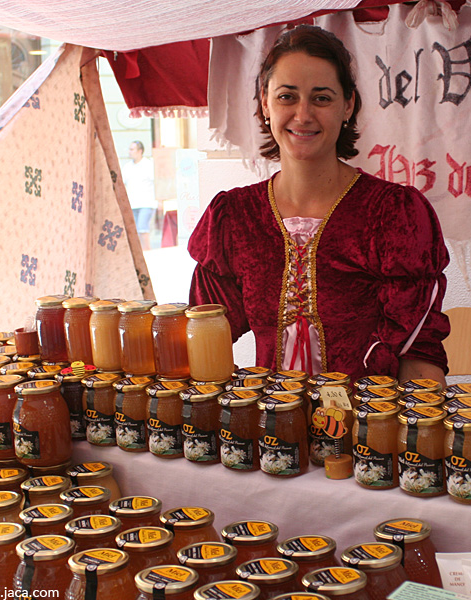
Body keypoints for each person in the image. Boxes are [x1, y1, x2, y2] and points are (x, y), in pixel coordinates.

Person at [188, 25, 450, 384]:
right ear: (265, 103)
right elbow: (204, 341)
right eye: (287, 97)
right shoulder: (234, 218)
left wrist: (416, 433)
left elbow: (419, 356)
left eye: (322, 98)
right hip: (271, 431)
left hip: (365, 431)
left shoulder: (393, 215)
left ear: (348, 105)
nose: (303, 114)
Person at [122, 140, 157, 250]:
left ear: (140, 151)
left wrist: (159, 201)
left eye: (132, 149)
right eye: (129, 149)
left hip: (146, 203)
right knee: (134, 231)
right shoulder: (127, 167)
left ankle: (147, 252)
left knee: (143, 229)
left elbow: (157, 182)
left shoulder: (148, 165)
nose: (129, 152)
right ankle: (139, 254)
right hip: (132, 203)